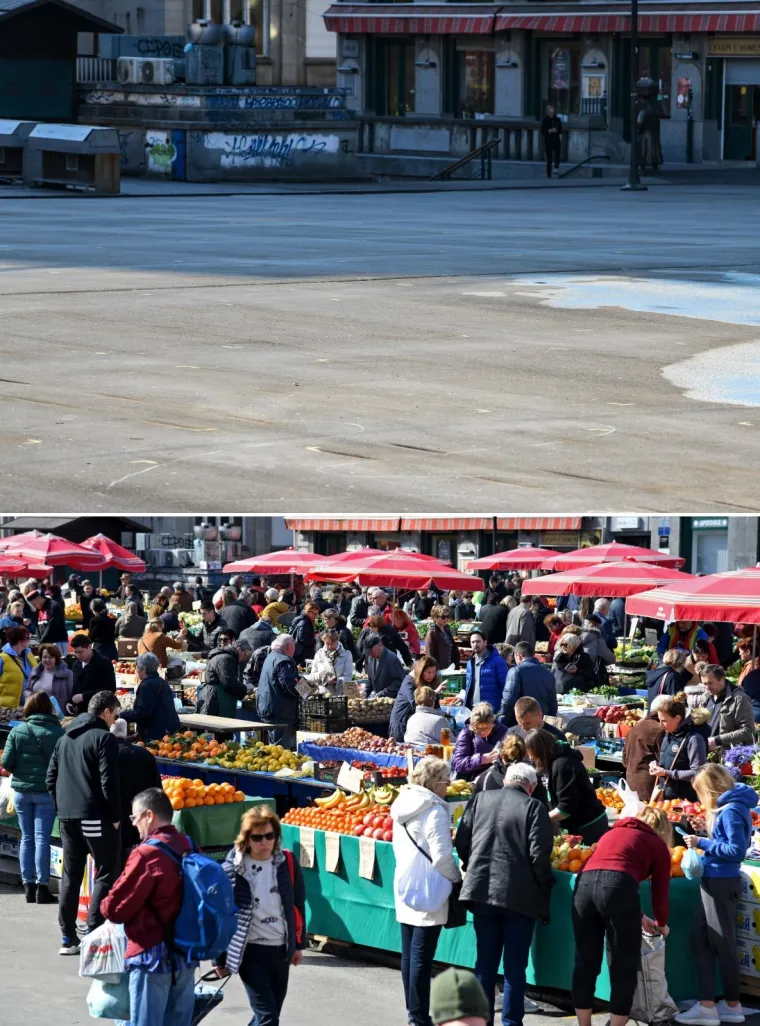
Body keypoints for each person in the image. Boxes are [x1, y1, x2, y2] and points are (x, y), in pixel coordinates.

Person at [456, 762, 554, 1026]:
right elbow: (539, 856)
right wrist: (545, 886)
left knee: (485, 964)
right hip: (518, 897)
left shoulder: (480, 799)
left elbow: (462, 840)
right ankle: (511, 1022)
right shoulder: (534, 807)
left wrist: (472, 866)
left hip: (480, 891)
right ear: (531, 787)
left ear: (506, 780)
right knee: (514, 968)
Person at [100, 787, 196, 1026]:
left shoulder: (147, 854)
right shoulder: (188, 845)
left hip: (151, 957)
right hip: (186, 957)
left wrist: (103, 902)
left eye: (134, 817)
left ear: (149, 816)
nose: (133, 824)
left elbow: (114, 909)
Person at [572, 806, 673, 1026]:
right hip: (618, 890)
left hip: (583, 887)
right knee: (623, 963)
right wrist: (662, 923)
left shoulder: (612, 833)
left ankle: (584, 1024)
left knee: (585, 961)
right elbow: (659, 893)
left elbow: (603, 874)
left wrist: (639, 916)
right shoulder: (657, 844)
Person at [677, 766, 758, 1026]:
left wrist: (703, 843)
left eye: (701, 791)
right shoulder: (731, 806)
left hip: (721, 880)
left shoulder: (732, 809)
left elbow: (736, 850)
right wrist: (706, 836)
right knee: (700, 939)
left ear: (711, 788)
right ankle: (708, 1003)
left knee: (722, 943)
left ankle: (731, 1005)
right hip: (716, 878)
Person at [46, 689, 122, 954]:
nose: (115, 721)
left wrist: (61, 809)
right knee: (106, 869)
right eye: (115, 715)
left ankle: (68, 937)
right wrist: (114, 817)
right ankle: (93, 930)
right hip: (94, 816)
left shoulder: (64, 738)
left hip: (67, 816)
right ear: (106, 712)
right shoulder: (105, 739)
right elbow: (108, 782)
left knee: (71, 874)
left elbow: (50, 779)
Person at [216, 806, 306, 1026]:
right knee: (268, 1018)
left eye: (269, 836)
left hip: (280, 950)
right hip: (250, 952)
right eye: (257, 837)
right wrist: (219, 958)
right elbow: (220, 916)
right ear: (246, 839)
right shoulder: (233, 869)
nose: (264, 842)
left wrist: (298, 944)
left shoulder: (288, 862)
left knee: (267, 1014)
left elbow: (298, 903)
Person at [390, 756, 462, 1026]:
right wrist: (455, 878)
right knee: (422, 956)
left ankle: (414, 1011)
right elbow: (443, 856)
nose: (448, 787)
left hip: (406, 882)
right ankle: (418, 1017)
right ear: (435, 784)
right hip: (430, 888)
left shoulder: (401, 804)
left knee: (409, 954)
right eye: (445, 782)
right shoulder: (433, 811)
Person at [1, 691, 64, 903]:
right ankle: (42, 887)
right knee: (42, 839)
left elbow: (7, 763)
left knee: (26, 838)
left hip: (21, 793)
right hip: (46, 793)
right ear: (49, 708)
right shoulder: (58, 732)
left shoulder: (18, 732)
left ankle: (28, 885)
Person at [525, 728, 608, 844]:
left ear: (540, 750)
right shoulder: (548, 764)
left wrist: (541, 819)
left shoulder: (563, 765)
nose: (531, 758)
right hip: (573, 826)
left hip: (589, 825)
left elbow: (566, 807)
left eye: (532, 754)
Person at [109, 719, 162, 855]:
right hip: (139, 818)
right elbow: (157, 790)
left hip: (115, 819)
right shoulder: (146, 755)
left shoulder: (106, 755)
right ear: (126, 732)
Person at [649, 695, 709, 802]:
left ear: (677, 718)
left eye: (664, 721)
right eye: (659, 720)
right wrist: (656, 766)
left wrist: (667, 773)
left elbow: (698, 773)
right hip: (666, 797)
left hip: (686, 800)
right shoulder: (669, 734)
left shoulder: (694, 739)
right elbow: (669, 761)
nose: (660, 725)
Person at [472, 733, 549, 805]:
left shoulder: (485, 778)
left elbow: (473, 808)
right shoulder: (534, 777)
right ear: (525, 754)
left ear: (501, 755)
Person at [120, 652, 180, 743]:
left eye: (137, 668)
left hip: (155, 734)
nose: (136, 671)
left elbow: (143, 713)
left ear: (143, 670)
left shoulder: (147, 685)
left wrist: (122, 715)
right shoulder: (162, 682)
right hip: (168, 729)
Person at [257, 634, 301, 748]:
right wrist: (306, 692)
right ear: (289, 647)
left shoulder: (271, 656)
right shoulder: (284, 661)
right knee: (280, 750)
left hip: (268, 708)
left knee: (272, 747)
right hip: (280, 712)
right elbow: (289, 686)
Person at [499, 641, 557, 727]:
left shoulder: (515, 671)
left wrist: (501, 724)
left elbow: (508, 701)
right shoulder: (548, 674)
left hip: (520, 724)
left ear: (519, 656)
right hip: (540, 723)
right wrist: (549, 727)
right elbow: (552, 704)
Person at [622, 695, 666, 800]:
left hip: (631, 782)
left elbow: (624, 760)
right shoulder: (660, 730)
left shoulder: (635, 727)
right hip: (649, 786)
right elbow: (664, 761)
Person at [701, 664, 754, 751]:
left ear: (722, 679)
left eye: (710, 683)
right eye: (704, 684)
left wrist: (717, 740)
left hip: (728, 755)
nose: (707, 688)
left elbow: (747, 730)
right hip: (706, 753)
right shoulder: (706, 697)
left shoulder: (739, 698)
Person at [451, 702, 507, 782]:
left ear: (493, 724)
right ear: (472, 725)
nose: (483, 732)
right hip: (472, 781)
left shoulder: (504, 732)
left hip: (498, 779)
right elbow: (458, 765)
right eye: (478, 729)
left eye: (487, 728)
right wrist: (480, 759)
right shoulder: (466, 734)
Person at [390, 656, 441, 743]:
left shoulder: (430, 681)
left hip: (416, 722)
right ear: (421, 671)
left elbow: (435, 704)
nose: (431, 675)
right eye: (428, 672)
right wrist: (433, 693)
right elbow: (416, 704)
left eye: (433, 672)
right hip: (402, 722)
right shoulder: (409, 682)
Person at [196, 639, 251, 718]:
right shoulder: (226, 658)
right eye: (245, 655)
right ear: (239, 649)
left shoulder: (226, 657)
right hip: (216, 699)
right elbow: (229, 683)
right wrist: (245, 689)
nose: (245, 659)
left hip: (213, 696)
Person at [69, 632, 117, 715]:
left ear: (89, 647)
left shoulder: (104, 663)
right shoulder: (76, 664)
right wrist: (70, 702)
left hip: (99, 711)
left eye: (80, 652)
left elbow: (110, 688)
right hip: (80, 712)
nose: (77, 655)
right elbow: (75, 686)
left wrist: (84, 696)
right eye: (75, 652)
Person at [463, 631, 508, 711]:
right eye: (472, 642)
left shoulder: (497, 661)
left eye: (478, 641)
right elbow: (468, 686)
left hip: (491, 709)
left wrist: (503, 709)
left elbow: (505, 687)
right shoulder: (470, 662)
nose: (475, 644)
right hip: (473, 708)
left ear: (485, 642)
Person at [24, 642, 74, 710]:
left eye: (51, 657)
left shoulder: (67, 674)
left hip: (57, 714)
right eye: (45, 657)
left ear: (56, 659)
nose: (47, 660)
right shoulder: (35, 671)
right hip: (35, 711)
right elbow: (26, 690)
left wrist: (70, 704)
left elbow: (71, 695)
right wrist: (34, 697)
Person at [0, 625, 38, 708]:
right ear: (19, 640)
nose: (29, 641)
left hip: (30, 703)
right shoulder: (2, 658)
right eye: (27, 638)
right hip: (9, 708)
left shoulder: (29, 654)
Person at [307, 629, 354, 695]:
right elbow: (312, 676)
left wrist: (337, 681)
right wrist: (323, 676)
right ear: (324, 641)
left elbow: (348, 677)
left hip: (340, 695)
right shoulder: (319, 654)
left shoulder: (346, 654)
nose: (330, 646)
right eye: (327, 643)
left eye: (332, 643)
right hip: (323, 694)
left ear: (337, 641)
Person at [365, 634, 407, 699]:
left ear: (379, 645)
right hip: (378, 700)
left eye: (371, 651)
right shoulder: (371, 658)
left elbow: (400, 681)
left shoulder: (391, 659)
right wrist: (366, 691)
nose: (370, 653)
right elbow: (371, 679)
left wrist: (383, 693)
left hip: (391, 700)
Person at [28, 590, 68, 655]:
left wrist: (41, 642)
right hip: (44, 643)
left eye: (34, 604)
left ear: (39, 599)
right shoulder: (38, 610)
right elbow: (37, 626)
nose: (34, 606)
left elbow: (52, 627)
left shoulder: (54, 606)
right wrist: (39, 641)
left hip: (58, 642)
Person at [581, 614, 616, 687]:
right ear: (596, 625)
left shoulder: (576, 636)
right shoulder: (597, 639)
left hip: (578, 675)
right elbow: (610, 658)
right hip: (592, 676)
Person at [425, 605, 460, 670]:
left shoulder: (447, 629)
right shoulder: (432, 633)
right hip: (439, 669)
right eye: (443, 617)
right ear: (435, 617)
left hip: (450, 667)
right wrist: (433, 670)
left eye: (447, 616)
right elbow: (429, 654)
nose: (446, 619)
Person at [88, 597, 118, 663]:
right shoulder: (111, 619)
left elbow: (91, 636)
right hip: (112, 648)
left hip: (100, 649)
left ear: (93, 609)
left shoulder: (94, 620)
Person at [290, 600, 320, 664]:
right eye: (314, 613)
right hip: (303, 653)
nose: (316, 615)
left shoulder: (302, 620)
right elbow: (302, 639)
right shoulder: (304, 622)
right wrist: (315, 640)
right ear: (308, 612)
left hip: (299, 652)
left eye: (317, 613)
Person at [540, 104, 562, 177]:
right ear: (548, 112)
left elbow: (559, 129)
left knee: (557, 155)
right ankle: (548, 174)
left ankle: (556, 168)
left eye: (553, 110)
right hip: (548, 141)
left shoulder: (557, 119)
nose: (552, 112)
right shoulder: (545, 120)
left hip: (556, 140)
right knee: (549, 158)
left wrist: (553, 130)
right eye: (550, 111)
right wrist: (549, 131)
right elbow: (543, 131)